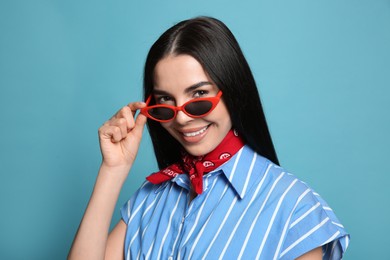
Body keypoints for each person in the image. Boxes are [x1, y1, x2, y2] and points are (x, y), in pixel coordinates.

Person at [68, 16, 350, 259]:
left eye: (199, 95)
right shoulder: (149, 198)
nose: (181, 118)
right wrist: (112, 171)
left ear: (233, 91)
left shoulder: (295, 208)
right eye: (166, 101)